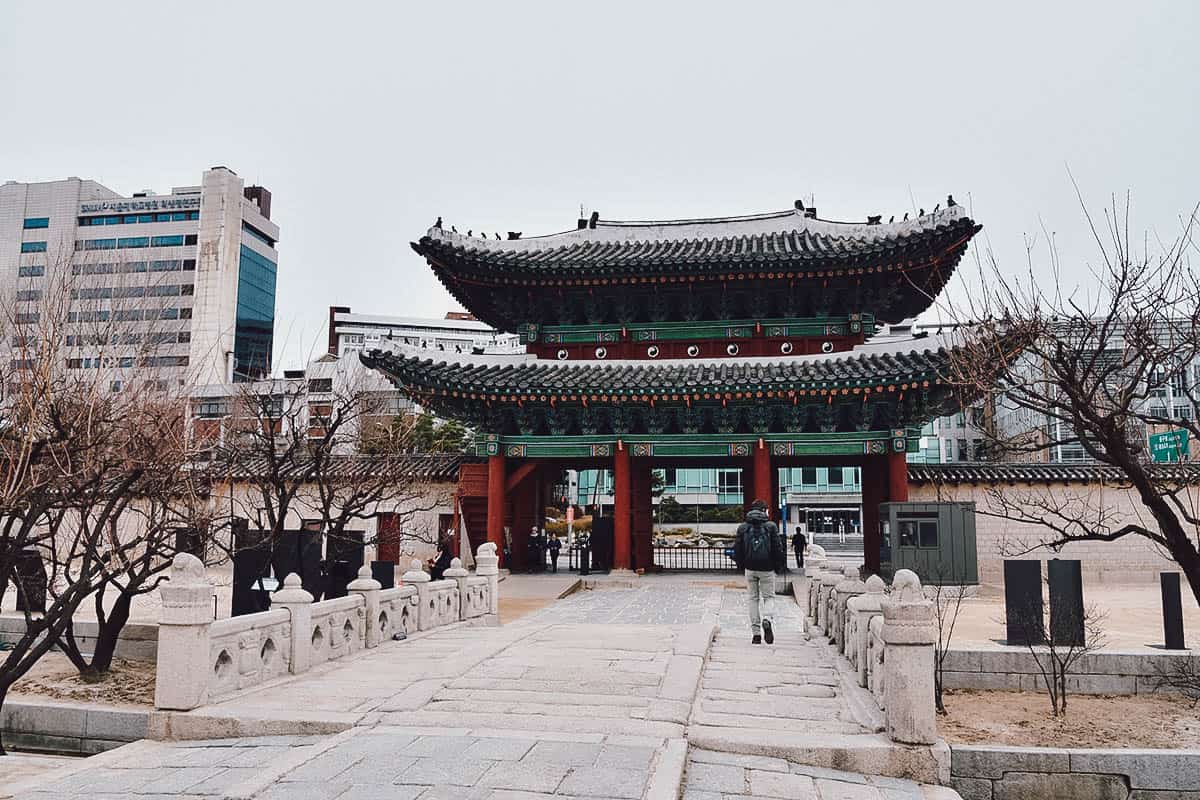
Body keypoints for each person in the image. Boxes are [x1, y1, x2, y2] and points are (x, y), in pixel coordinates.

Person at [734, 499, 784, 645]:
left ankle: (756, 634)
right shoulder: (771, 526)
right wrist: (778, 565)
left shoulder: (743, 527)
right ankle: (767, 619)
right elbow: (777, 548)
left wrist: (742, 565)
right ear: (764, 510)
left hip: (750, 568)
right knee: (769, 597)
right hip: (767, 568)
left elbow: (738, 549)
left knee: (753, 599)